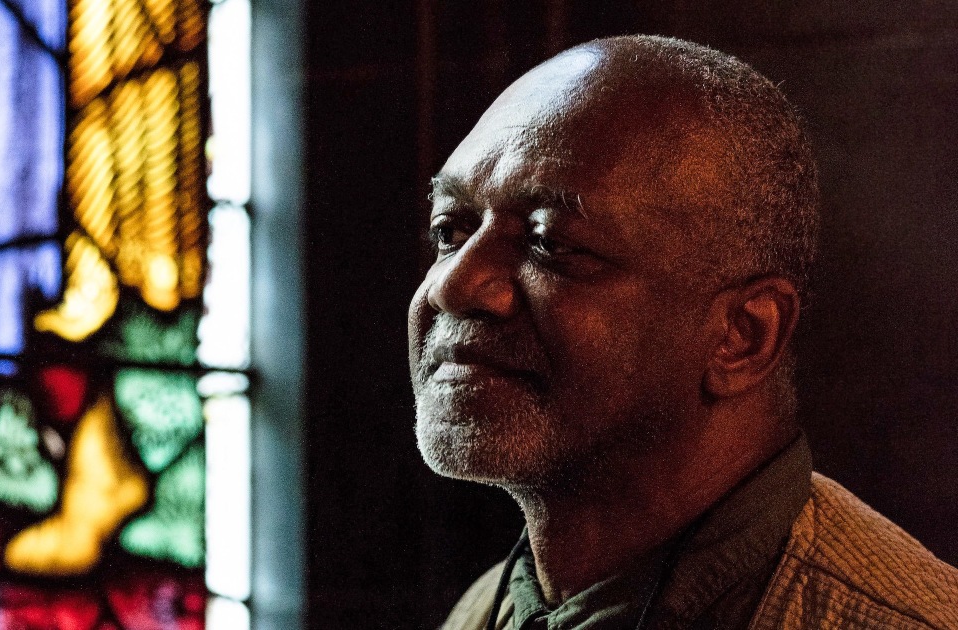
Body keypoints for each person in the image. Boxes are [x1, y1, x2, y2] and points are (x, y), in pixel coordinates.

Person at [409, 34, 958, 630]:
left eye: (551, 243)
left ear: (743, 336)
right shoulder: (491, 607)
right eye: (449, 231)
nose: (451, 286)